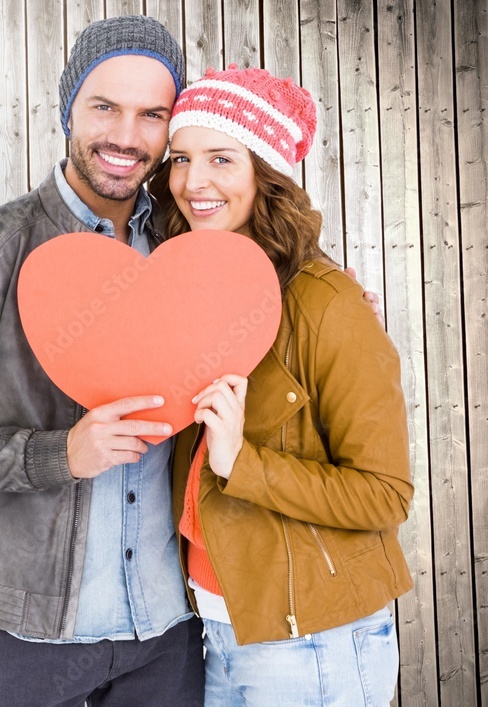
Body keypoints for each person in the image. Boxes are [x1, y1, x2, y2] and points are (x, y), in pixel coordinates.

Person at [0, 15, 205, 707]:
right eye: (104, 107)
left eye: (153, 114)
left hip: (170, 626)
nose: (127, 136)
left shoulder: (187, 249)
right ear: (68, 108)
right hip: (31, 635)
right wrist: (59, 452)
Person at [147, 65, 414, 705]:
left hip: (311, 642)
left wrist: (243, 461)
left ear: (265, 174)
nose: (193, 181)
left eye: (221, 158)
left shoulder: (325, 303)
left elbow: (386, 495)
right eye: (180, 159)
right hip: (213, 625)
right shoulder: (189, 295)